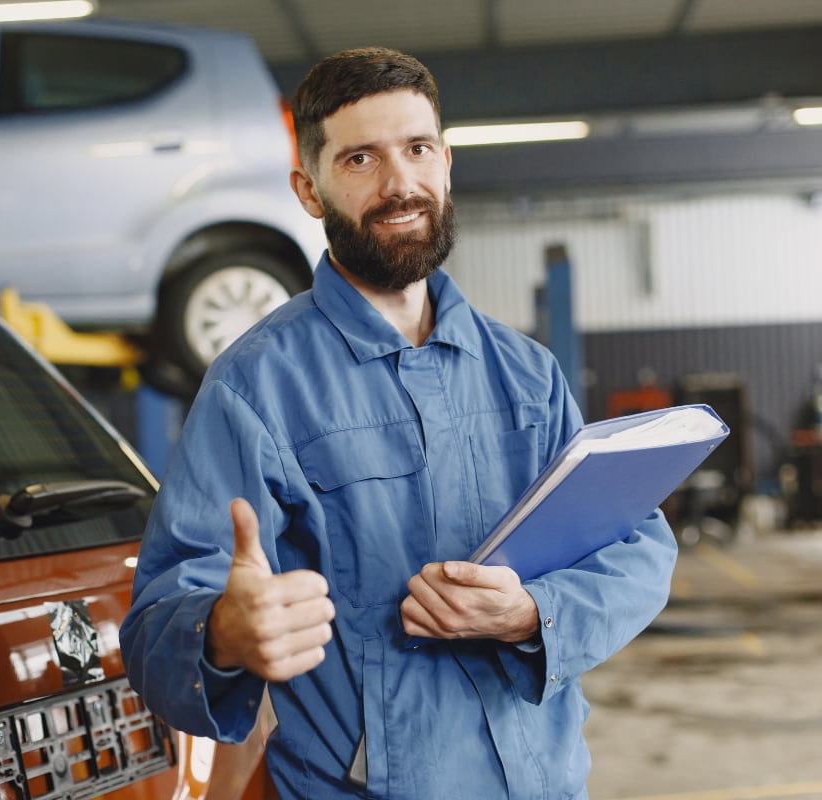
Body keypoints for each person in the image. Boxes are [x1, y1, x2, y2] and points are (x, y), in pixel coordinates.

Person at [120, 46, 678, 799]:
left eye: (417, 149)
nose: (400, 184)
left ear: (446, 162)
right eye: (359, 160)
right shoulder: (256, 388)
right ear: (308, 191)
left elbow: (637, 547)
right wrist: (222, 632)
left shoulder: (526, 374)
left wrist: (532, 612)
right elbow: (158, 625)